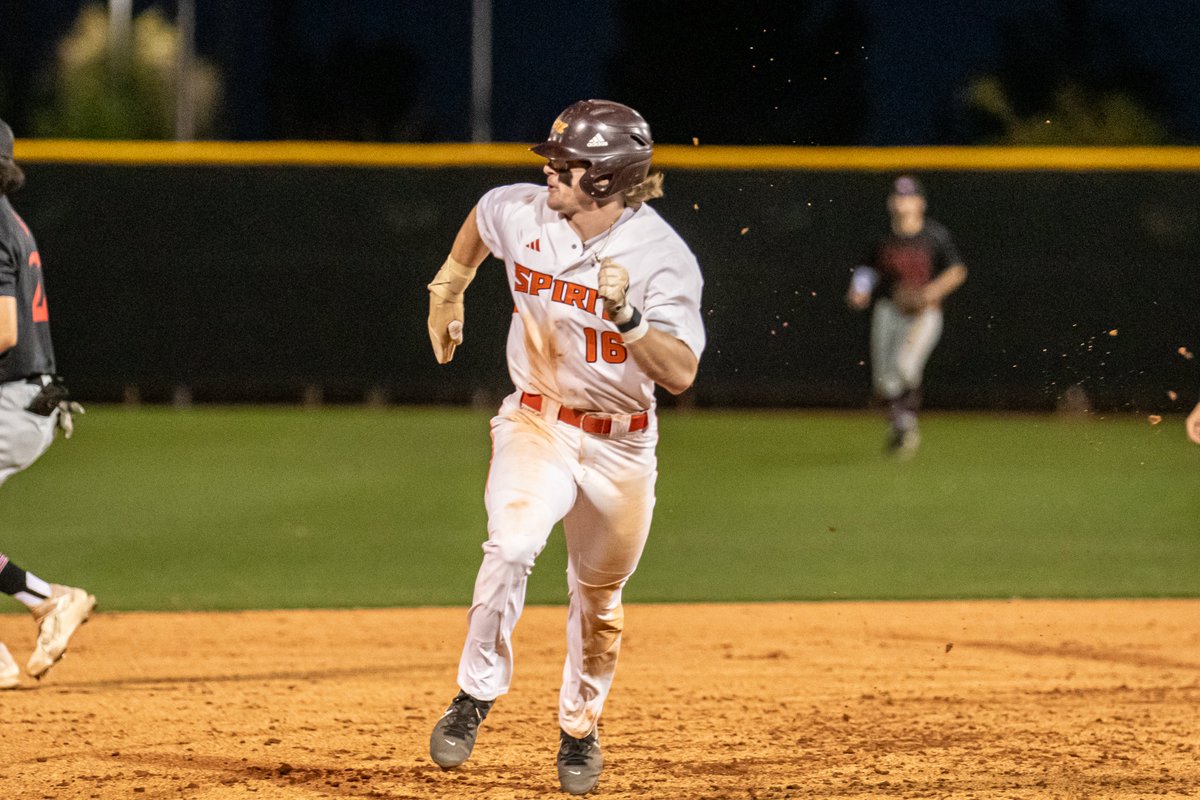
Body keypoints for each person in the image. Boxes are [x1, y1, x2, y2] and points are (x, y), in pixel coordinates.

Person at [423, 99, 704, 795]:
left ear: (606, 179)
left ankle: (579, 728)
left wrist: (629, 318)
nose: (548, 172)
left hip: (622, 448)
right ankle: (474, 693)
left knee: (599, 598)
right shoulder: (526, 212)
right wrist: (451, 285)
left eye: (565, 163)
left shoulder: (662, 259)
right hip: (537, 422)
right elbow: (484, 217)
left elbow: (680, 373)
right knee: (512, 543)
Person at [0, 118, 95, 690]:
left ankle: (49, 601)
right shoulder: (11, 222)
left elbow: (4, 330)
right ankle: (48, 601)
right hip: (26, 399)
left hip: (14, 400)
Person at [846, 175, 967, 457]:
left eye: (909, 197)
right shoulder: (883, 239)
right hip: (889, 311)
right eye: (899, 197)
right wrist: (859, 290)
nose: (904, 203)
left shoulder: (933, 235)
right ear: (891, 203)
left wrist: (931, 291)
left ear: (921, 203)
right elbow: (867, 269)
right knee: (884, 381)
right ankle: (901, 425)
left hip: (924, 314)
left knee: (905, 367)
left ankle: (905, 426)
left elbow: (957, 269)